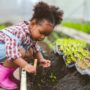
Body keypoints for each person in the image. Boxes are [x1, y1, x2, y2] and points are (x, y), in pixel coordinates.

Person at [0, 1, 63, 90]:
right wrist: (25, 66)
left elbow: (35, 48)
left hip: (5, 52)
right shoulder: (19, 32)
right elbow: (13, 54)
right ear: (33, 24)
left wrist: (41, 59)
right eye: (41, 33)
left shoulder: (30, 32)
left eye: (46, 35)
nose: (42, 37)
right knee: (21, 52)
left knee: (29, 52)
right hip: (3, 49)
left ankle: (8, 75)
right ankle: (1, 77)